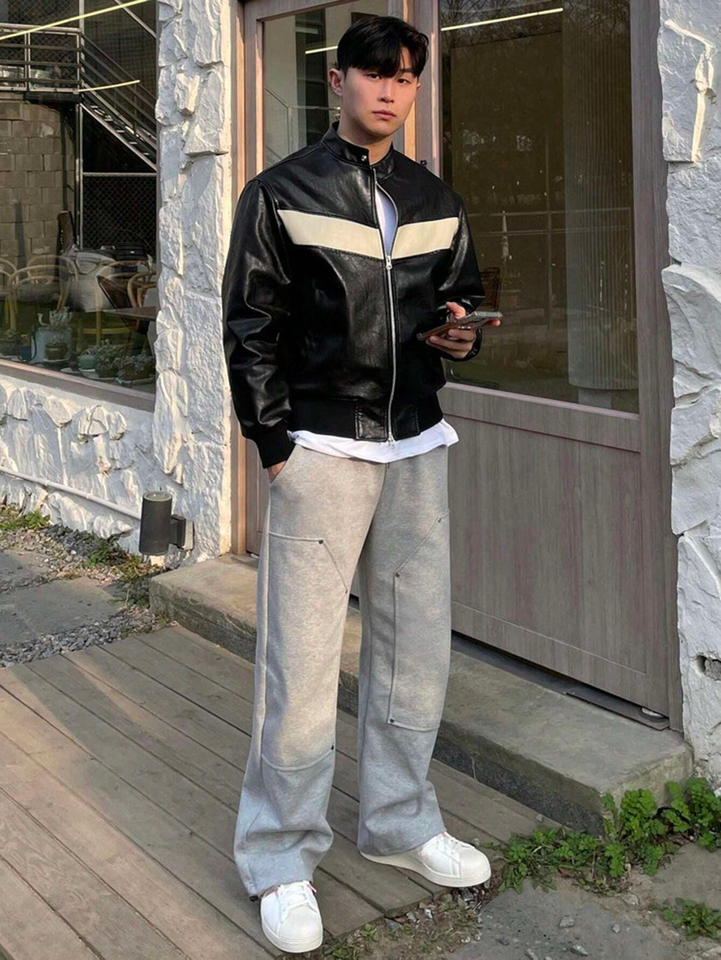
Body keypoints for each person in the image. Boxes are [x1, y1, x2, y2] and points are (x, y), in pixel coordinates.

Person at [221, 14, 499, 954]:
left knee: (414, 651)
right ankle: (279, 856)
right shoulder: (281, 191)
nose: (389, 90)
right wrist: (274, 442)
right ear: (335, 80)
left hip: (415, 443)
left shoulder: (434, 198)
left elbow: (456, 302)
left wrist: (458, 334)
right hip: (320, 447)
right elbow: (249, 325)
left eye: (405, 76)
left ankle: (398, 822)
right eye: (373, 73)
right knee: (299, 665)